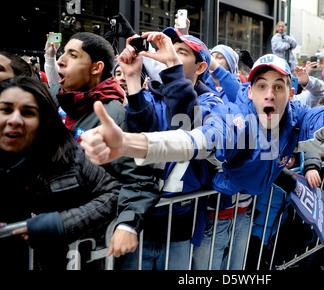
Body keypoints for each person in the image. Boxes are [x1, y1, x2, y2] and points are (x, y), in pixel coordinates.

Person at [80, 54, 324, 250]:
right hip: (216, 215)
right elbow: (193, 142)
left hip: (251, 207)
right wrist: (128, 143)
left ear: (290, 92)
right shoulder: (236, 122)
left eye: (279, 85)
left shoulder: (300, 115)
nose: (270, 94)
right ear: (251, 92)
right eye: (260, 86)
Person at [111, 28, 221, 270]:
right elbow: (142, 136)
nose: (168, 54)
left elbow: (184, 126)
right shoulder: (149, 96)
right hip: (142, 220)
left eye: (180, 52)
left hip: (180, 224)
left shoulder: (211, 102)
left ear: (201, 67)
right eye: (167, 49)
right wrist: (132, 78)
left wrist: (173, 69)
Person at [52, 32, 162, 267]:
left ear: (96, 67)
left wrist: (127, 224)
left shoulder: (114, 116)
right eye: (62, 54)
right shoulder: (52, 102)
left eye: (72, 55)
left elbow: (139, 180)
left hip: (86, 246)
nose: (61, 60)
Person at [0, 76, 120, 270]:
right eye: (5, 110)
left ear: (43, 119)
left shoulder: (69, 156)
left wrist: (61, 223)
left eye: (28, 112)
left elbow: (114, 193)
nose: (15, 120)